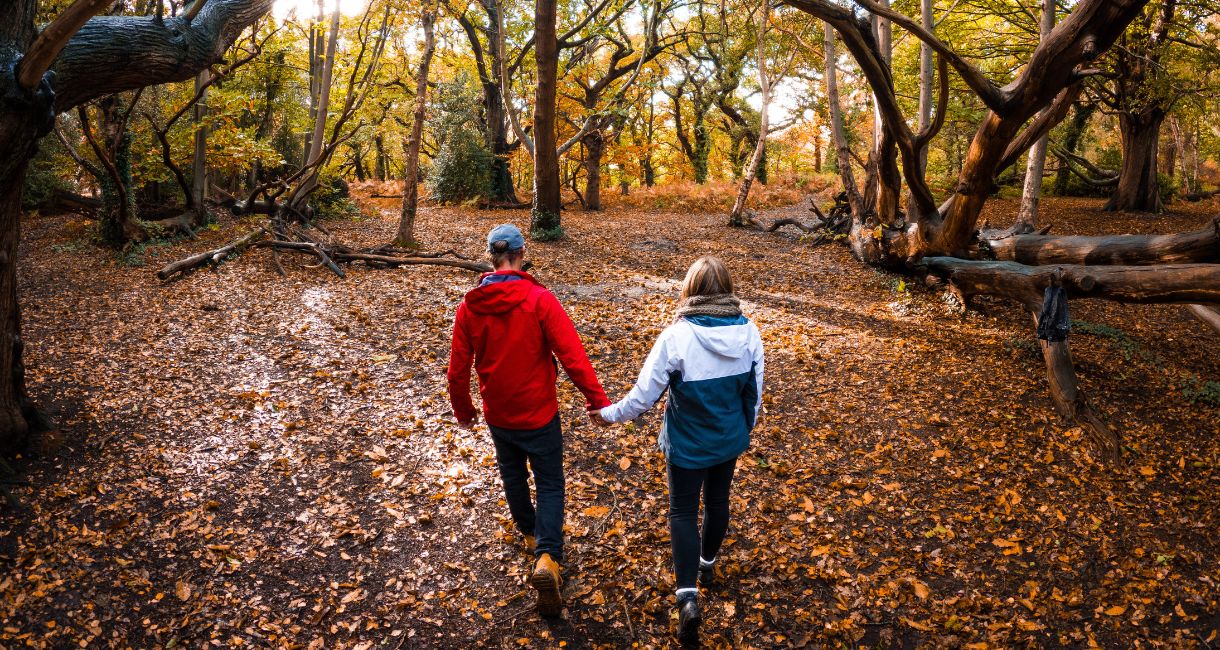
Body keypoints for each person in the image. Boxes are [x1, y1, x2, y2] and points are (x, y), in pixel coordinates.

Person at [589, 256, 764, 645]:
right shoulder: (750, 332)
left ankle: (688, 597)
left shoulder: (676, 337)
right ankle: (708, 565)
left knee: (683, 510)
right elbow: (754, 395)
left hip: (686, 444)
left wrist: (608, 416)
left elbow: (642, 397)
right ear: (727, 289)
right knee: (718, 502)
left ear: (691, 289)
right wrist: (741, 432)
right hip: (727, 440)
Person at [447, 223, 611, 617]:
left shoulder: (470, 306)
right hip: (539, 413)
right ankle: (547, 556)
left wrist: (464, 410)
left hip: (499, 414)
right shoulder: (539, 299)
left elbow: (457, 369)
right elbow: (572, 356)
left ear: (492, 258)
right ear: (521, 255)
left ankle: (529, 534)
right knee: (551, 482)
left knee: (513, 475)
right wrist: (598, 402)